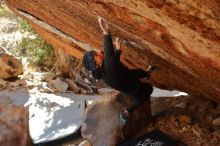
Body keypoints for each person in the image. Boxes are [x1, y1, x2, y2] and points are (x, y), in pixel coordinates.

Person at [82, 17, 156, 126]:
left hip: (126, 79)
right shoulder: (107, 68)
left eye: (95, 52)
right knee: (147, 90)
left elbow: (113, 62)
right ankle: (127, 112)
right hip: (131, 85)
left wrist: (118, 49)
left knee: (138, 73)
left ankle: (146, 75)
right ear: (97, 64)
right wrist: (106, 32)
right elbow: (109, 54)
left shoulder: (103, 71)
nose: (98, 52)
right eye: (96, 55)